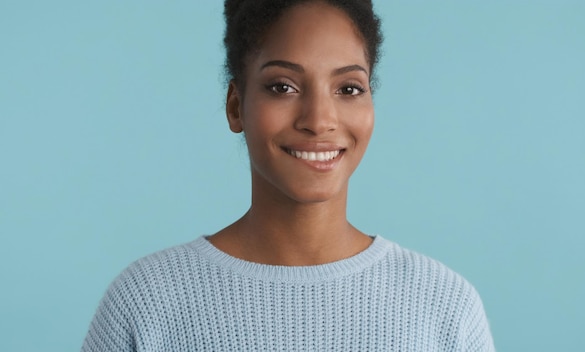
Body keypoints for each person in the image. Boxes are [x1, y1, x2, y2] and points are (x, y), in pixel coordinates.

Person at [82, 1, 495, 351]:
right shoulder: (145, 302)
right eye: (283, 87)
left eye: (348, 88)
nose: (319, 120)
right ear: (235, 106)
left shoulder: (445, 307)